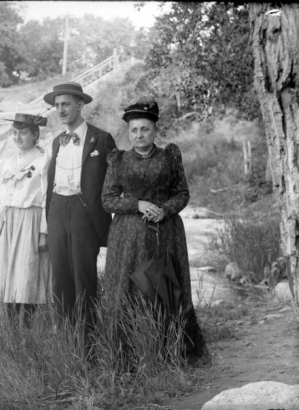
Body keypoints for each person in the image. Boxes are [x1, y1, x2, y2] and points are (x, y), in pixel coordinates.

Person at [101, 96, 209, 364]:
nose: (139, 135)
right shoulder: (119, 160)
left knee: (164, 288)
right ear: (129, 133)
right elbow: (107, 199)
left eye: (144, 129)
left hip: (166, 234)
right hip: (128, 238)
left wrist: (166, 209)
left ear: (154, 130)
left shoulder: (169, 156)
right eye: (134, 130)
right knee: (129, 289)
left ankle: (170, 351)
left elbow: (182, 193)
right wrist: (137, 204)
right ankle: (130, 355)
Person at [43, 82, 116, 340]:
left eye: (66, 104)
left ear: (80, 105)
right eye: (57, 105)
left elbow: (116, 182)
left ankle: (88, 342)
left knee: (84, 277)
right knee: (60, 279)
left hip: (85, 212)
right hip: (56, 210)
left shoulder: (102, 138)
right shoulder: (55, 143)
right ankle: (66, 340)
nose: (60, 110)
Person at [0, 113, 51, 326]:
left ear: (35, 135)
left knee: (27, 274)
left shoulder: (44, 161)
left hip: (30, 220)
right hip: (7, 222)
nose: (18, 137)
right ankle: (12, 329)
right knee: (7, 276)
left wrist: (43, 232)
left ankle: (28, 328)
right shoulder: (5, 164)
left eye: (23, 133)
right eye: (15, 133)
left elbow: (46, 199)